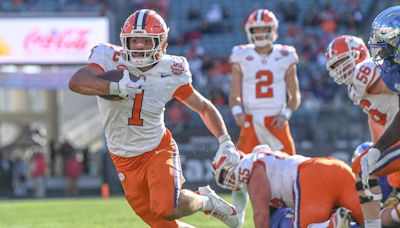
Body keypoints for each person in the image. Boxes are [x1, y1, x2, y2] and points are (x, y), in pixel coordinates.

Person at [69, 9, 240, 228]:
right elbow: (77, 81)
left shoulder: (170, 71)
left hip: (156, 149)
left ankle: (207, 201)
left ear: (161, 43)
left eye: (146, 40)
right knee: (164, 225)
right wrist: (114, 86)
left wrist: (225, 141)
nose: (139, 46)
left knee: (165, 208)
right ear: (124, 41)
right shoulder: (108, 58)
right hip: (122, 157)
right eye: (134, 40)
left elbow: (204, 107)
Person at [228, 8, 301, 225]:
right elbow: (234, 94)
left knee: (293, 172)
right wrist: (237, 112)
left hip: (276, 120)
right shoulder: (241, 55)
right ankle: (236, 217)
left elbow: (295, 95)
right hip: (251, 119)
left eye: (264, 28)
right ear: (249, 31)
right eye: (256, 29)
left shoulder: (285, 55)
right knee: (238, 174)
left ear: (274, 30)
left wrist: (286, 113)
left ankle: (295, 215)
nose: (260, 33)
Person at [213, 145, 364, 228]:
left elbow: (261, 216)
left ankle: (329, 225)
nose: (228, 181)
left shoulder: (252, 171)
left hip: (311, 178)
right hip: (337, 168)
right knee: (371, 221)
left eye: (225, 175)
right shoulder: (260, 156)